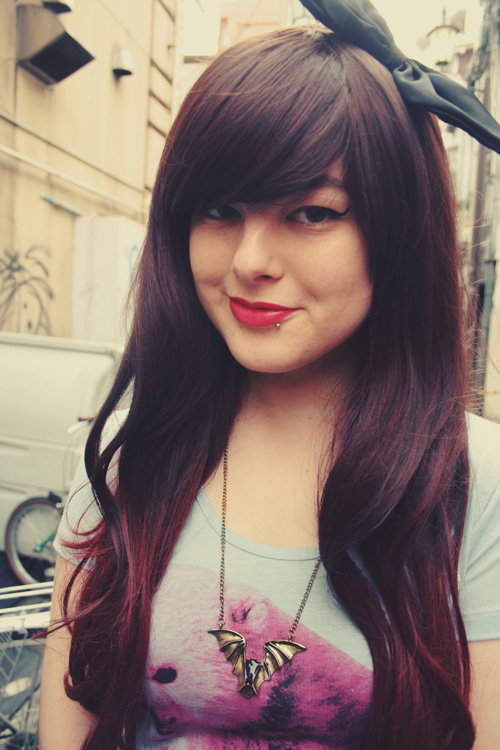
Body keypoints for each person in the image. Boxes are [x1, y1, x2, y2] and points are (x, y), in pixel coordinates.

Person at [39, 4, 500, 749]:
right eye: (220, 210)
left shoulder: (476, 484)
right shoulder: (133, 453)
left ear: (398, 229)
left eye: (311, 213)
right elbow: (70, 720)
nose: (250, 260)